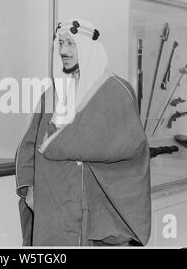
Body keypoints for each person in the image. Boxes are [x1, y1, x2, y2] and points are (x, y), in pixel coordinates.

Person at [15, 19, 151, 246]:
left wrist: (61, 145)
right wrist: (30, 188)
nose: (63, 51)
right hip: (52, 208)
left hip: (95, 208)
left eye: (70, 44)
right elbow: (31, 144)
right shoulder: (52, 94)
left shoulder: (115, 91)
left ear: (88, 48)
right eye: (60, 44)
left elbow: (129, 146)